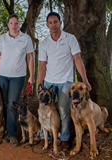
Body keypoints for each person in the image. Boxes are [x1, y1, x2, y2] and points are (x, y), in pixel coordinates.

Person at [38, 12, 91, 151]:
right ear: (47, 25)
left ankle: (65, 138)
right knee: (45, 109)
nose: (53, 25)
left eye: (56, 22)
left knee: (63, 111)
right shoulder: (44, 43)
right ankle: (44, 136)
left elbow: (78, 60)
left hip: (65, 82)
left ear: (60, 23)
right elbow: (42, 65)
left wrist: (85, 81)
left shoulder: (70, 39)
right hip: (49, 82)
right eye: (50, 22)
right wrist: (40, 85)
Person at [0, 14, 34, 147]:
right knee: (3, 104)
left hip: (18, 77)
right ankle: (4, 130)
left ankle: (12, 135)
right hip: (2, 75)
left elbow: (30, 58)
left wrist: (31, 77)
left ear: (19, 24)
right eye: (11, 23)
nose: (14, 26)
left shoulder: (26, 38)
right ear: (8, 24)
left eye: (16, 23)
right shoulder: (2, 39)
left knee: (11, 104)